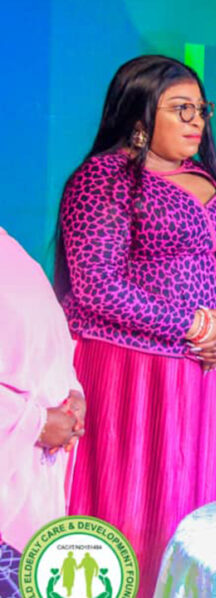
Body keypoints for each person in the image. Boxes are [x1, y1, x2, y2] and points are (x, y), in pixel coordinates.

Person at [56, 55, 216, 596]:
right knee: (131, 507)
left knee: (186, 509)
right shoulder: (102, 179)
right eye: (180, 109)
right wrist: (194, 325)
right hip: (130, 372)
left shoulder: (203, 178)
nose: (196, 121)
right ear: (140, 116)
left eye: (200, 109)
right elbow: (96, 286)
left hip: (198, 375)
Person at [0, 228, 85, 598]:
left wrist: (72, 393)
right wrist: (36, 423)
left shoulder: (9, 248)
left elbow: (46, 339)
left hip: (32, 491)